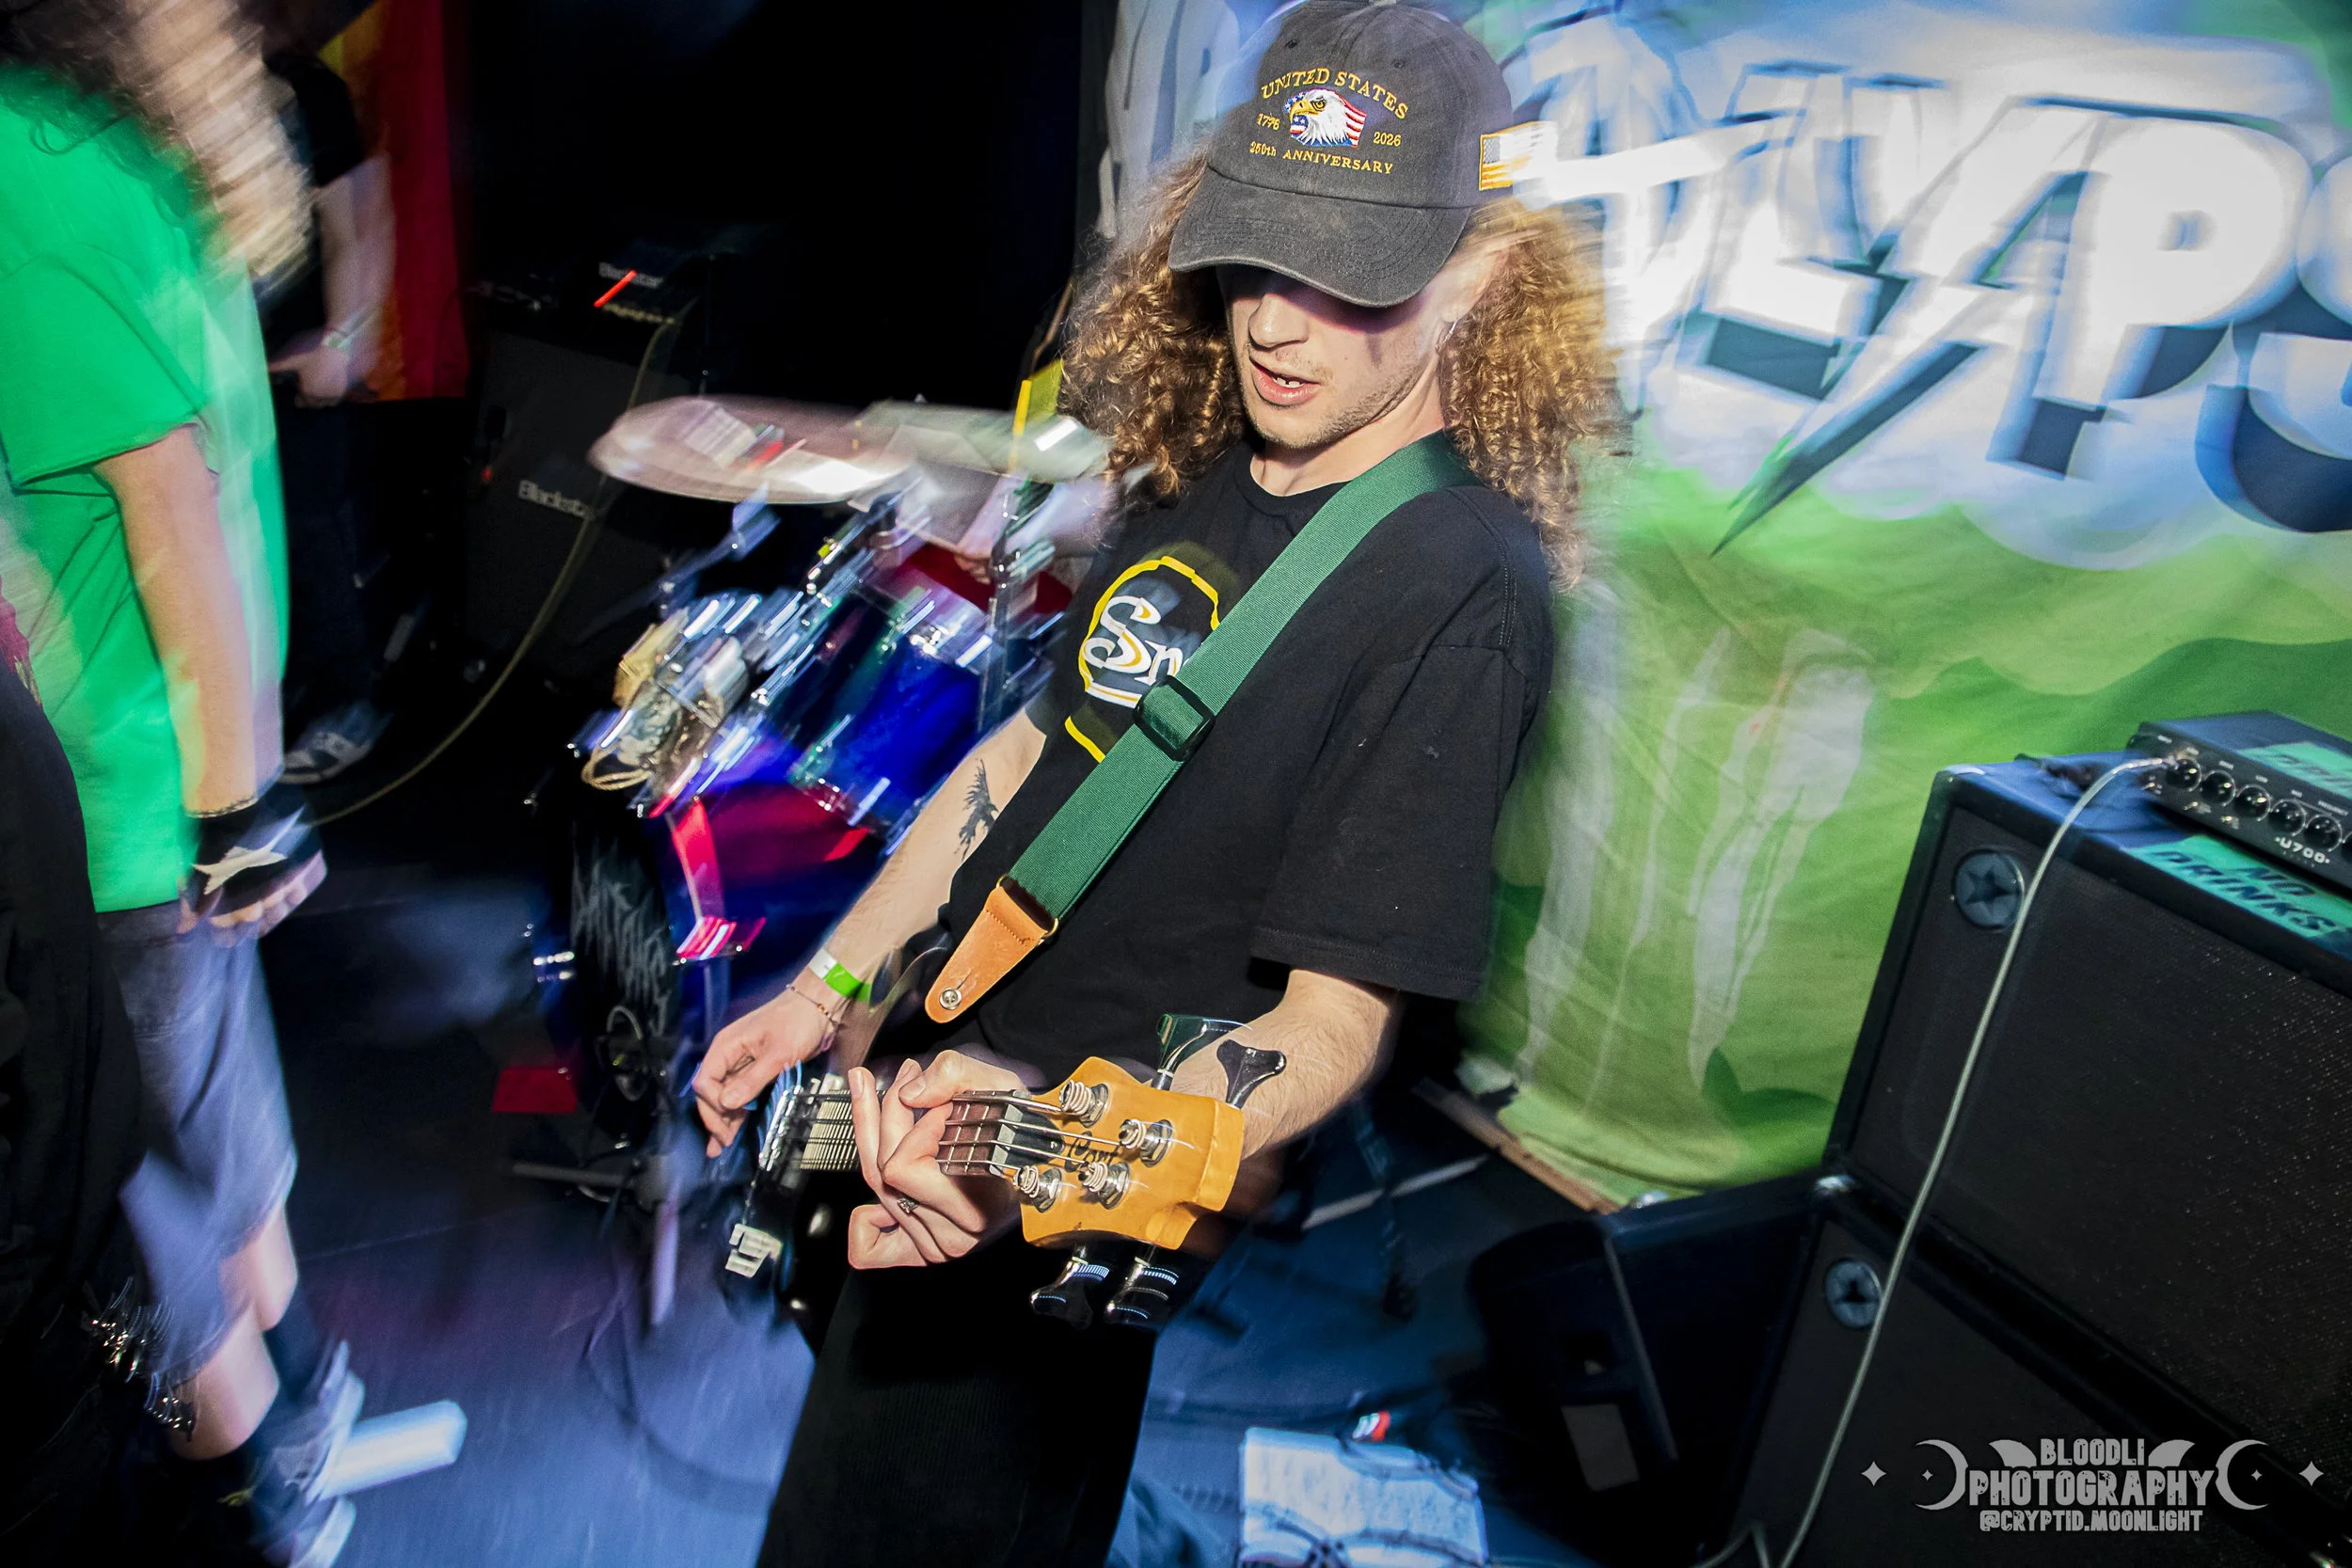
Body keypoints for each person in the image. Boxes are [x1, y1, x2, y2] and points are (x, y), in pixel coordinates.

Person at [691, 5, 1614, 1564]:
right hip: (938, 1071)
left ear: (1476, 272)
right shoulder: (1208, 459)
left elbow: (1335, 1022)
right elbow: (1031, 763)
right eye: (1259, 254)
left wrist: (1044, 1150)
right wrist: (837, 984)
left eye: (1350, 277)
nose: (1276, 324)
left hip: (1064, 1162)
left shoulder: (1461, 584)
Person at [0, 3, 359, 1560]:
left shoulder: (20, 160)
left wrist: (231, 807)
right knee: (223, 1159)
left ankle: (252, 1506)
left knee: (141, 1212)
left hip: (121, 809)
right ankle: (307, 1407)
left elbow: (169, 511)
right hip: (177, 785)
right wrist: (239, 793)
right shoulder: (111, 140)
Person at [258, 0, 396, 784]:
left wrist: (342, 342)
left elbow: (357, 227)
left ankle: (350, 703)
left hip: (296, 365)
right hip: (223, 371)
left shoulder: (309, 91)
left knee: (312, 538)